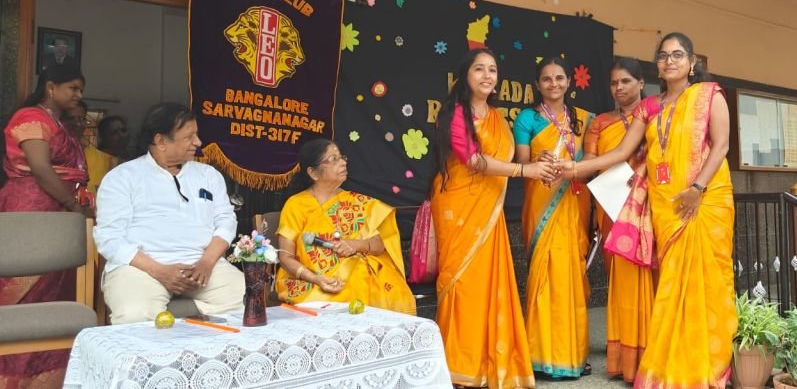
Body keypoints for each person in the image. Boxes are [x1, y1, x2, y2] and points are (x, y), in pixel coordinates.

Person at [564, 32, 736, 388]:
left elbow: (721, 145)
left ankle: (704, 366)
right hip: (665, 205)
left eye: (677, 55)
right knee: (672, 286)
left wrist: (697, 189)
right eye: (663, 55)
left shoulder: (709, 95)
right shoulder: (649, 107)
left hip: (704, 201)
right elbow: (620, 152)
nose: (669, 61)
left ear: (692, 62)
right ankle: (671, 364)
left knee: (705, 285)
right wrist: (574, 168)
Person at [432, 48, 555, 388]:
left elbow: (513, 158)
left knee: (488, 284)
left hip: (488, 208)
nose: (487, 76)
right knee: (462, 283)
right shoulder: (455, 113)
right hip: (459, 207)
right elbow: (473, 161)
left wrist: (541, 160)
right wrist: (525, 170)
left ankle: (489, 364)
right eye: (479, 69)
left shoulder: (498, 118)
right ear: (465, 75)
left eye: (492, 70)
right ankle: (459, 365)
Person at [94, 102, 243, 324]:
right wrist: (160, 271)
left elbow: (226, 220)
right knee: (135, 314)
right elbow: (110, 238)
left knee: (246, 300)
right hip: (140, 269)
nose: (198, 142)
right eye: (189, 137)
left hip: (202, 266)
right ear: (161, 141)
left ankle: (200, 342)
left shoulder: (208, 175)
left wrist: (206, 262)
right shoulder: (122, 177)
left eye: (196, 135)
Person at [0, 66, 90, 387]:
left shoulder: (59, 122)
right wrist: (72, 205)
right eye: (73, 88)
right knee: (26, 291)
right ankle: (13, 376)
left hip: (57, 211)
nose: (79, 95)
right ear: (51, 87)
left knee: (54, 293)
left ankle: (46, 378)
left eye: (81, 89)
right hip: (32, 209)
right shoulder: (30, 117)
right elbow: (40, 168)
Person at [513, 57, 594, 379]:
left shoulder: (584, 119)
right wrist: (539, 158)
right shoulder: (527, 118)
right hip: (541, 201)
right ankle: (539, 356)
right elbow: (522, 161)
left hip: (573, 202)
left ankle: (572, 355)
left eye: (559, 78)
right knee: (543, 278)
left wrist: (573, 167)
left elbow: (591, 162)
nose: (553, 84)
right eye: (546, 79)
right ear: (537, 84)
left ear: (568, 82)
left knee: (571, 279)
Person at [274, 138, 416, 314]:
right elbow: (286, 257)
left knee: (360, 274)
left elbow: (379, 245)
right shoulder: (296, 205)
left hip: (357, 274)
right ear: (313, 173)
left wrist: (356, 244)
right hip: (309, 280)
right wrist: (317, 279)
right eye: (333, 159)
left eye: (342, 157)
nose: (342, 163)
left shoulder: (357, 202)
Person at [581, 57, 653, 383]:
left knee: (653, 278)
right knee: (621, 279)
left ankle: (653, 353)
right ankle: (627, 356)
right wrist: (575, 169)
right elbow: (591, 160)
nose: (619, 88)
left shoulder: (654, 115)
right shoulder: (600, 122)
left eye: (625, 81)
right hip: (613, 205)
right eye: (614, 83)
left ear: (641, 83)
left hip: (650, 207)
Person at [83, 115, 129, 195]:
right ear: (102, 137)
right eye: (114, 133)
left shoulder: (130, 163)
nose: (121, 135)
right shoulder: (89, 156)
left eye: (123, 130)